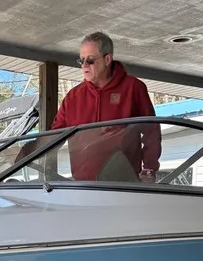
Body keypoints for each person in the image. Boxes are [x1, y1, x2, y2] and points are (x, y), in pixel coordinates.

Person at [51, 31, 161, 182]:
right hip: (83, 186)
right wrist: (26, 153)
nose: (84, 66)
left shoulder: (133, 88)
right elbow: (54, 137)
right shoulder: (72, 97)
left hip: (123, 184)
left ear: (107, 59)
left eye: (90, 60)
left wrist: (149, 169)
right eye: (81, 60)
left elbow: (151, 131)